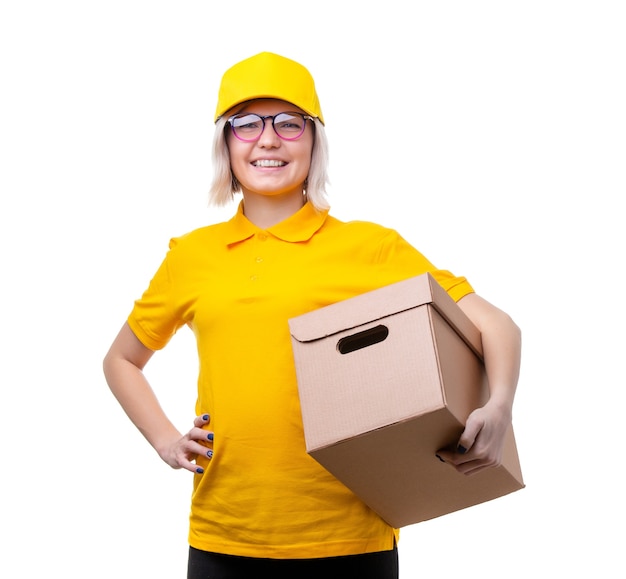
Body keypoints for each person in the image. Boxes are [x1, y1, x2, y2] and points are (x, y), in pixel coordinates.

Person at [103, 51, 521, 579]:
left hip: (351, 540)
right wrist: (165, 439)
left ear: (314, 141)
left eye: (289, 123)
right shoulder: (191, 257)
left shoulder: (368, 249)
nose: (268, 139)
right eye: (247, 124)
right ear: (225, 144)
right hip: (224, 537)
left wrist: (500, 404)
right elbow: (121, 359)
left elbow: (495, 323)